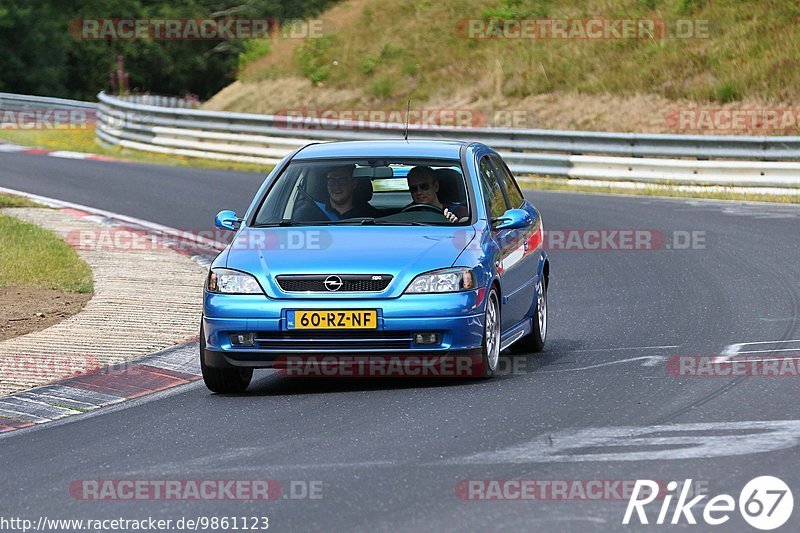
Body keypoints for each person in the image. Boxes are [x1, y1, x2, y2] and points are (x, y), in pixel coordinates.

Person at [296, 164, 379, 221]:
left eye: (342, 180)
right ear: (326, 183)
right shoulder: (306, 215)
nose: (336, 186)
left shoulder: (372, 216)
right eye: (332, 180)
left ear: (353, 183)